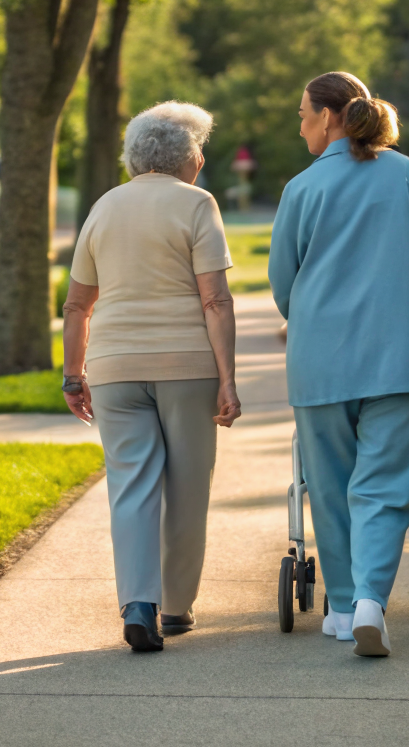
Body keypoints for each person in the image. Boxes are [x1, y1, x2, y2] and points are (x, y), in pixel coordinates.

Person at [268, 72, 409, 657]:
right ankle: (374, 600)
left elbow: (284, 286)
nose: (299, 123)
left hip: (321, 363)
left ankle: (346, 606)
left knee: (328, 486)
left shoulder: (301, 189)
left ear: (329, 117)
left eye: (303, 113)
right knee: (382, 487)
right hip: (400, 357)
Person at [62, 101, 242, 653]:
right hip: (186, 367)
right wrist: (228, 380)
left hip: (115, 370)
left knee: (131, 486)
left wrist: (74, 377)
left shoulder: (104, 207)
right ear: (186, 158)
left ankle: (138, 602)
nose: (203, 159)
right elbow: (214, 298)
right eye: (200, 151)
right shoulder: (198, 204)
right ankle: (177, 608)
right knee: (187, 485)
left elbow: (76, 305)